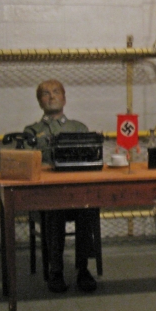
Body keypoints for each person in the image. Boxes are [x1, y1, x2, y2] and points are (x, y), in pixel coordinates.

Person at [24, 79, 98, 293]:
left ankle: (83, 269)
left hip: (77, 194)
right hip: (49, 196)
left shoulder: (79, 128)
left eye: (56, 92)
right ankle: (56, 270)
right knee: (54, 210)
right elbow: (28, 163)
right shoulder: (32, 132)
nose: (51, 96)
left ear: (64, 98)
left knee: (87, 208)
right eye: (46, 94)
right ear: (40, 102)